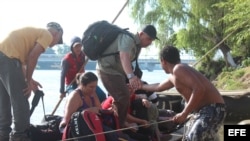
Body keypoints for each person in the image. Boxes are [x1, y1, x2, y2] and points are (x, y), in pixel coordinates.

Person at [141, 46, 226, 141]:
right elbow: (158, 86)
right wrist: (141, 86)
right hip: (204, 111)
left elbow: (199, 89)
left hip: (212, 109)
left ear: (163, 61)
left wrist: (184, 113)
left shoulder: (178, 69)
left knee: (192, 138)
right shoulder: (174, 75)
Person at [0, 22, 63, 141]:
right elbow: (33, 56)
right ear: (56, 33)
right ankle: (19, 136)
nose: (53, 45)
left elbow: (21, 66)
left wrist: (30, 80)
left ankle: (3, 135)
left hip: (3, 57)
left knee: (5, 101)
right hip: (9, 59)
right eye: (58, 41)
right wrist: (27, 82)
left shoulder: (32, 36)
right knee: (21, 101)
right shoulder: (47, 34)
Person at [97, 25, 159, 127]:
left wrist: (134, 77)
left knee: (125, 97)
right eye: (149, 39)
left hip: (117, 73)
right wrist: (131, 77)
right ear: (141, 34)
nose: (150, 43)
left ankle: (120, 124)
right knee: (124, 96)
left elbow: (129, 62)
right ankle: (120, 127)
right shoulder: (128, 38)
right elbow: (123, 55)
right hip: (107, 70)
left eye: (151, 40)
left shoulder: (137, 46)